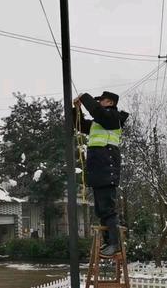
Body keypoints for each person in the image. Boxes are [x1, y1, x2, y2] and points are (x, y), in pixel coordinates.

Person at [73, 91, 129, 256]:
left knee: (108, 210)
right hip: (99, 170)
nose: (99, 103)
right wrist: (76, 110)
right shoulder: (101, 122)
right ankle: (108, 242)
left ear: (110, 103)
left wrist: (84, 97)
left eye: (101, 101)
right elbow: (81, 125)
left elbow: (97, 112)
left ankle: (114, 244)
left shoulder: (113, 118)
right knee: (101, 210)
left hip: (106, 168)